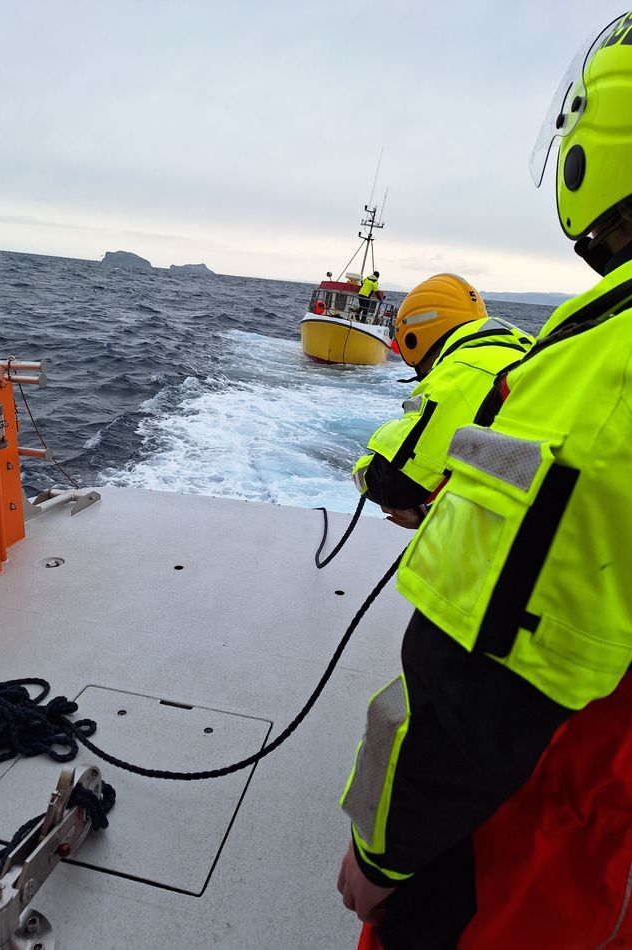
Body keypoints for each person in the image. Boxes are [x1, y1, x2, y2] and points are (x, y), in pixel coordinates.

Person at [338, 13, 632, 949]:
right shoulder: (531, 341)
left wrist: (384, 857)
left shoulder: (603, 366)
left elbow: (479, 680)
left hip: (562, 804)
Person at [352, 273, 533, 529]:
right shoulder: (528, 354)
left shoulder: (460, 373)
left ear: (414, 337)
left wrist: (361, 472)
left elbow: (393, 483)